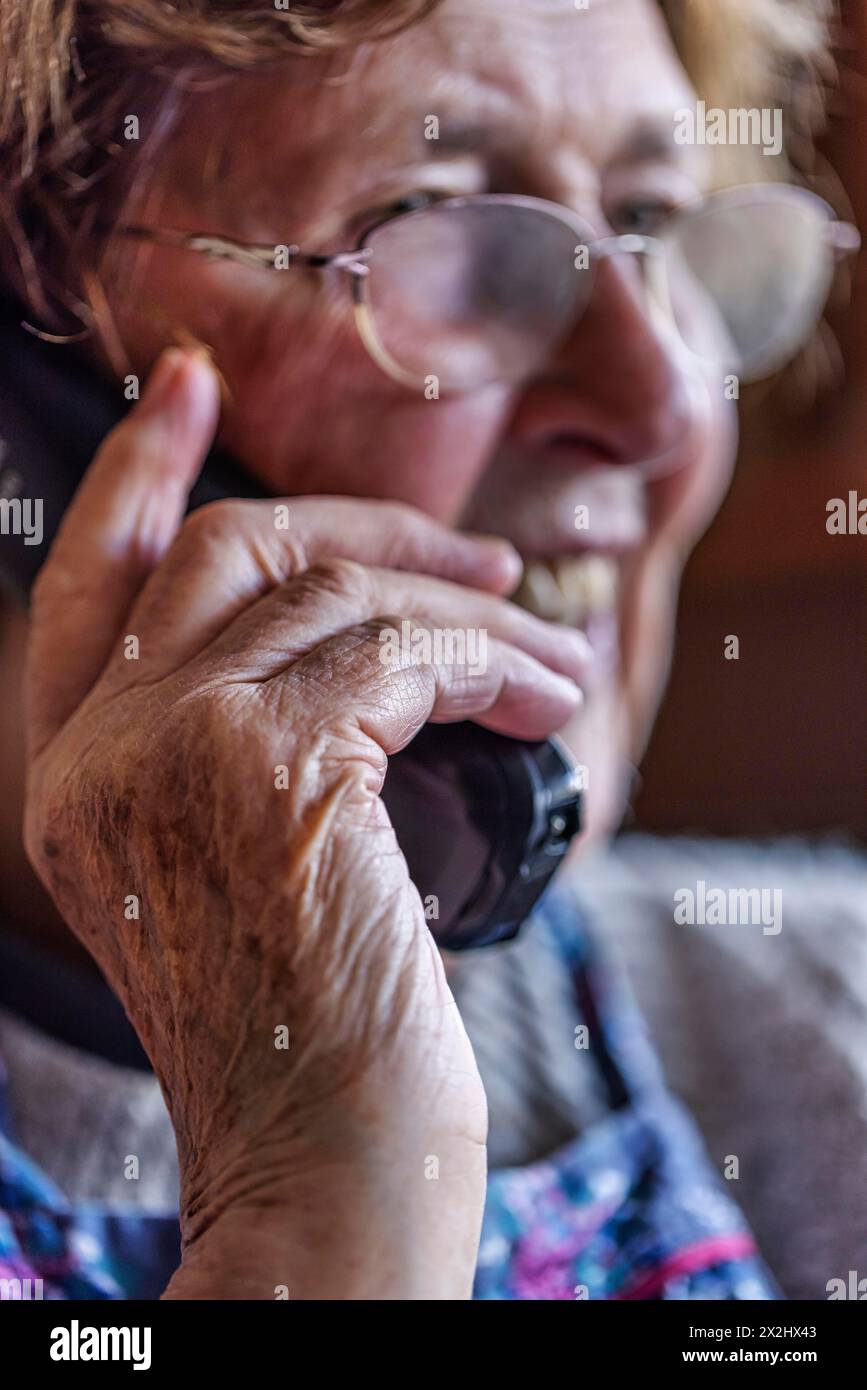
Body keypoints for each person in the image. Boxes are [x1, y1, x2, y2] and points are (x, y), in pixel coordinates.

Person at [0, 0, 849, 1299]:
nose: (663, 400)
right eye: (445, 234)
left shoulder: (831, 1019)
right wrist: (319, 1206)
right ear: (35, 404)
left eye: (657, 225)